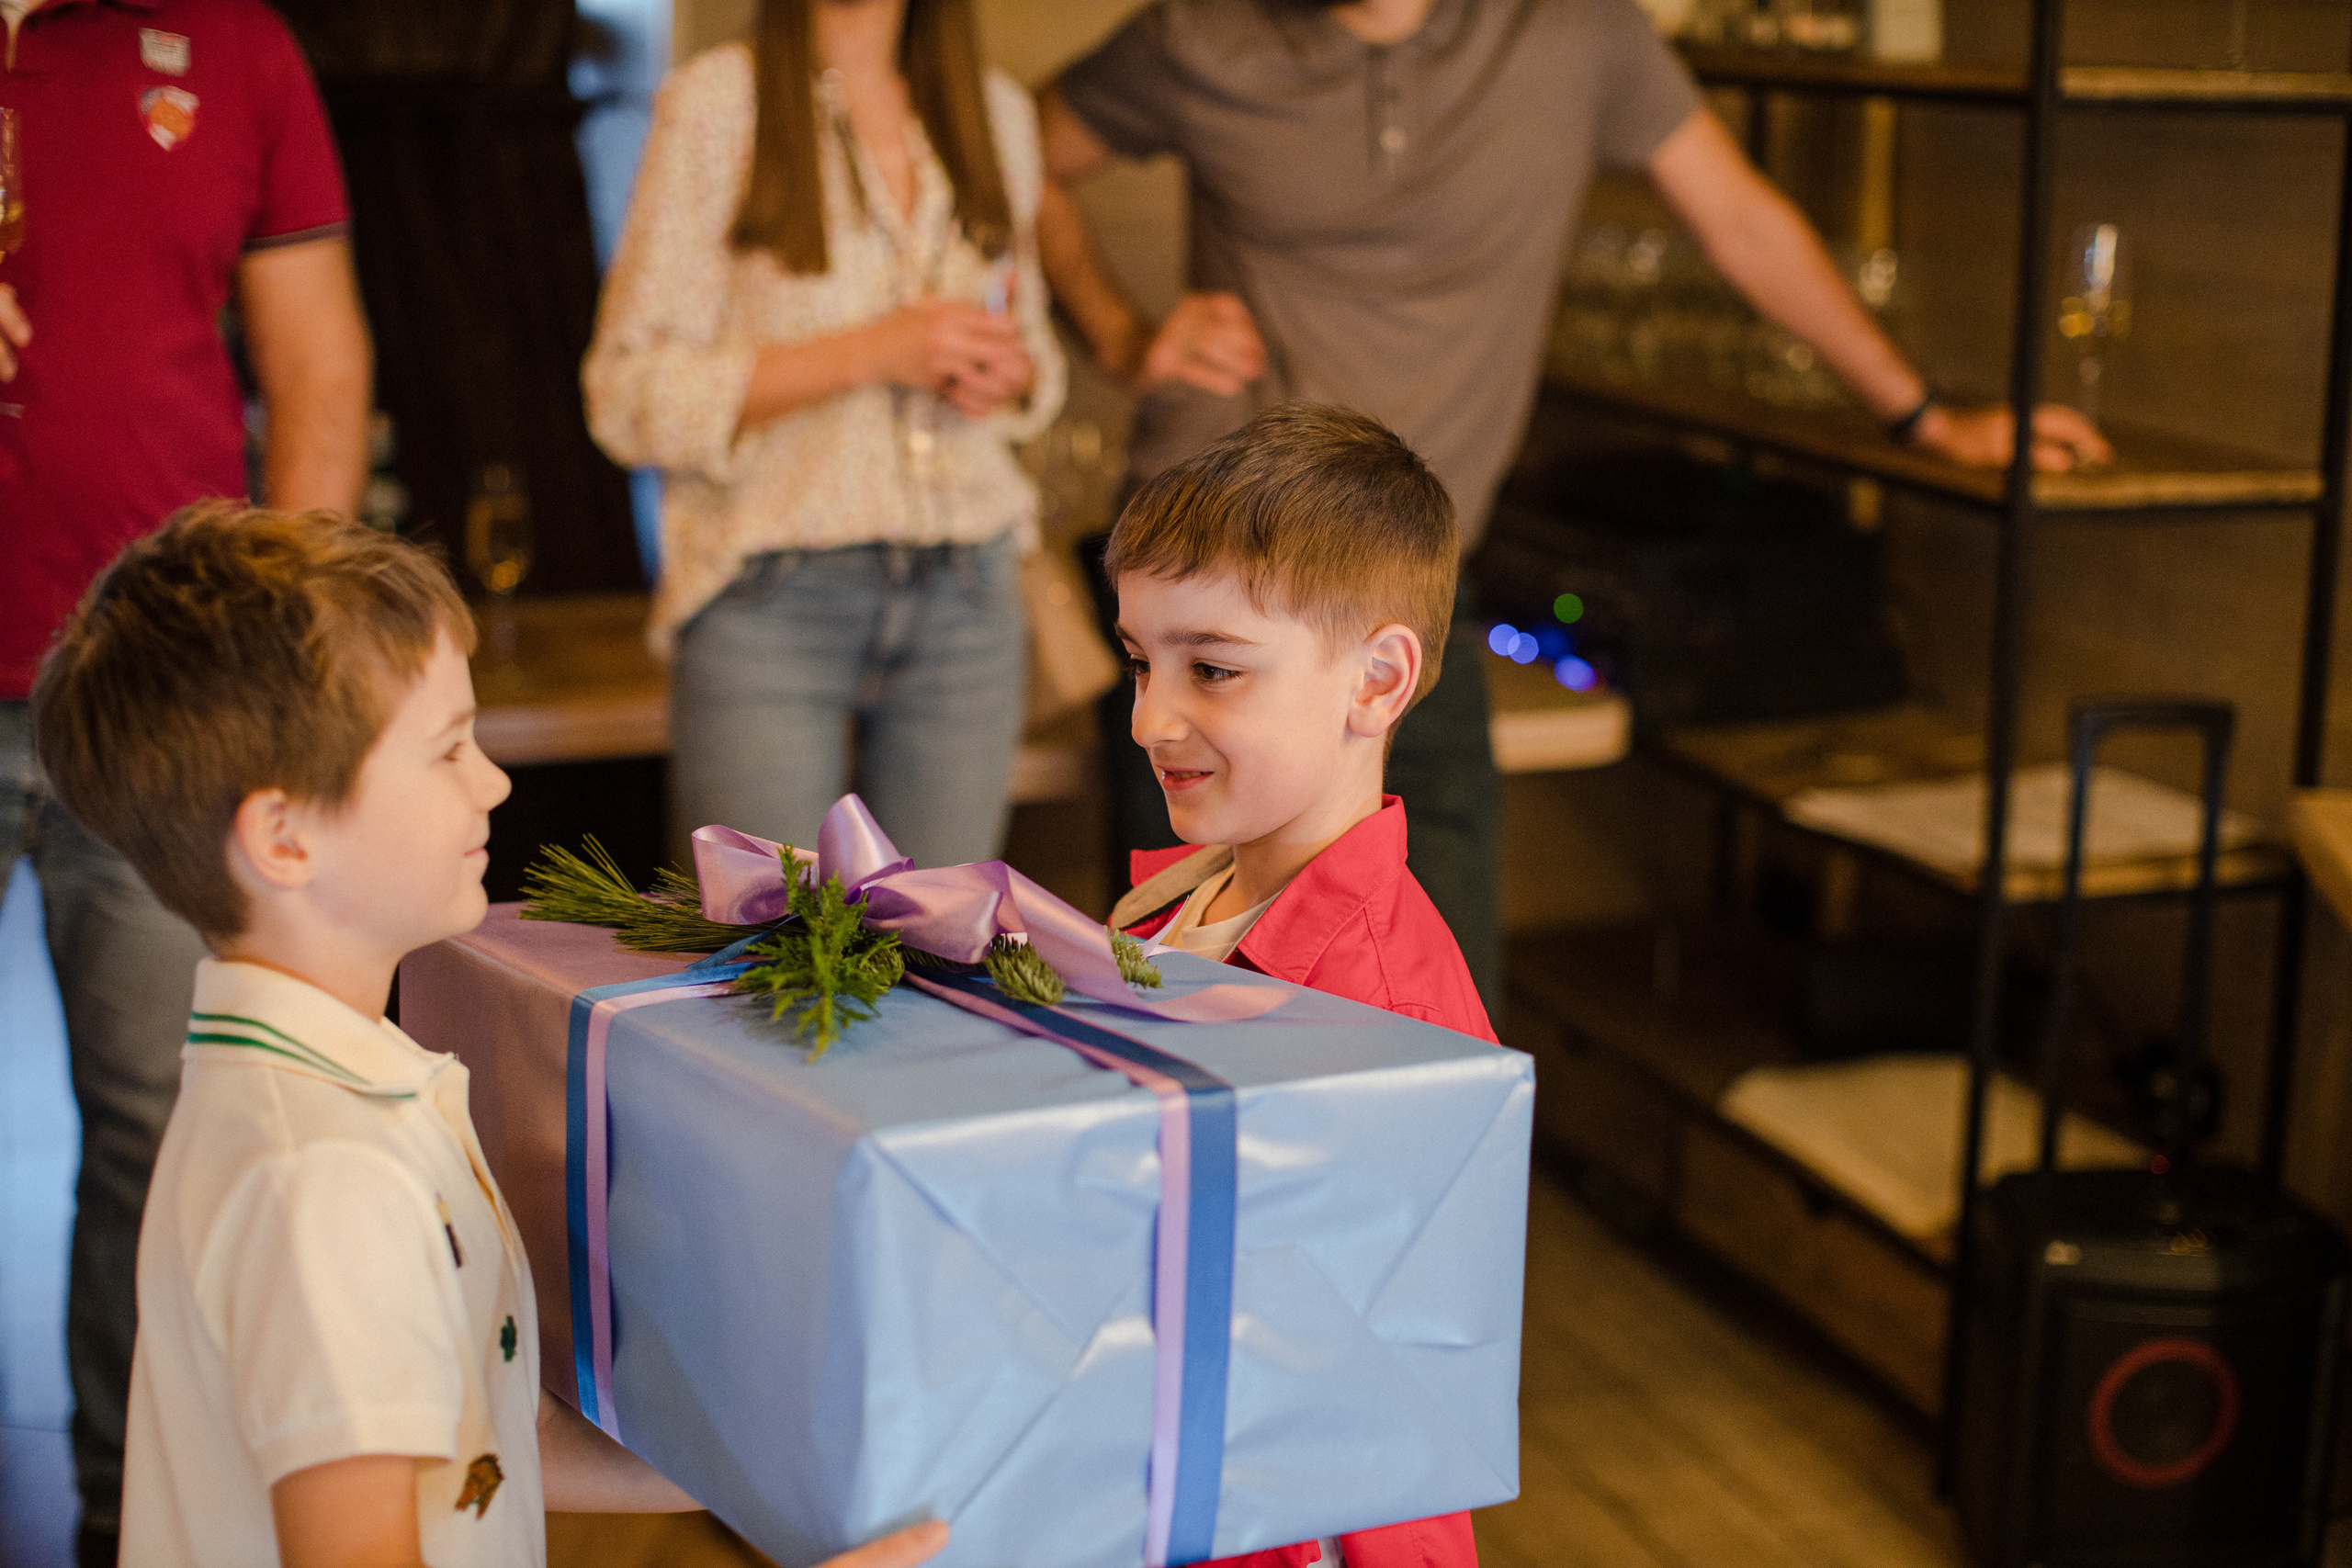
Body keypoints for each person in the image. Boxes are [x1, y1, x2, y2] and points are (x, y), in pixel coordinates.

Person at [1036, 0, 2112, 1010]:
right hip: (1221, 593)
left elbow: (1740, 221)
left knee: (1433, 980)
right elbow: (1004, 149)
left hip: (1406, 585)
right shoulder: (1196, 33)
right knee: (1184, 987)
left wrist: (1921, 416)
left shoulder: (1574, 30)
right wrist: (1119, 334)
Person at [28, 502, 956, 1568]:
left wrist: (816, 1486)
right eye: (447, 750)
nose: (494, 782)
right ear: (284, 837)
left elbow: (480, 1441)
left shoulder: (331, 1090)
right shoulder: (326, 1178)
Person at [0, 2, 371, 1555]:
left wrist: (280, 681)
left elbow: (320, 371)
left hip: (152, 696)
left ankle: (118, 1521)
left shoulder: (230, 42)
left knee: (166, 1127)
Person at [1106, 405, 1492, 1568]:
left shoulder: (1372, 1016)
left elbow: (1380, 1407)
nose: (1150, 719)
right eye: (1140, 660)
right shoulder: (1171, 903)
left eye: (1212, 669)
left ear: (1376, 681)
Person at [583, 0, 1065, 872]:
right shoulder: (715, 103)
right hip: (772, 593)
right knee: (765, 960)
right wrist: (872, 352)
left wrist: (1007, 373)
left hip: (968, 585)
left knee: (940, 958)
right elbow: (627, 393)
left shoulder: (997, 112)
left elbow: (1034, 354)